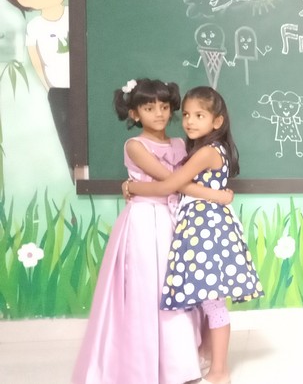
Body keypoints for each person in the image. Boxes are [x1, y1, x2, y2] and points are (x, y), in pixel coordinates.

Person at [72, 79, 234, 384]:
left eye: (164, 107)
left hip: (176, 221)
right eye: (149, 108)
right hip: (145, 222)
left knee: (176, 289)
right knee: (147, 290)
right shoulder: (135, 145)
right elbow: (169, 183)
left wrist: (133, 186)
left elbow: (179, 184)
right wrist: (216, 195)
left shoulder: (182, 144)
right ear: (135, 114)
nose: (159, 113)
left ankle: (179, 363)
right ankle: (143, 365)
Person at [125, 86, 264, 384]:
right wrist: (216, 195)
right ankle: (207, 357)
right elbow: (179, 185)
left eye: (199, 115)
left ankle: (220, 371)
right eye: (186, 114)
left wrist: (131, 186)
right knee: (206, 298)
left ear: (217, 121)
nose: (189, 121)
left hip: (205, 229)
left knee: (212, 302)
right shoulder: (207, 149)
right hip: (203, 225)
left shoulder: (205, 152)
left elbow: (169, 185)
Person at [0, 0, 71, 169]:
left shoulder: (75, 14)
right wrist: (49, 87)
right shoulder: (35, 27)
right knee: (68, 138)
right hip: (58, 90)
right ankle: (75, 174)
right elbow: (36, 59)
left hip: (85, 83)